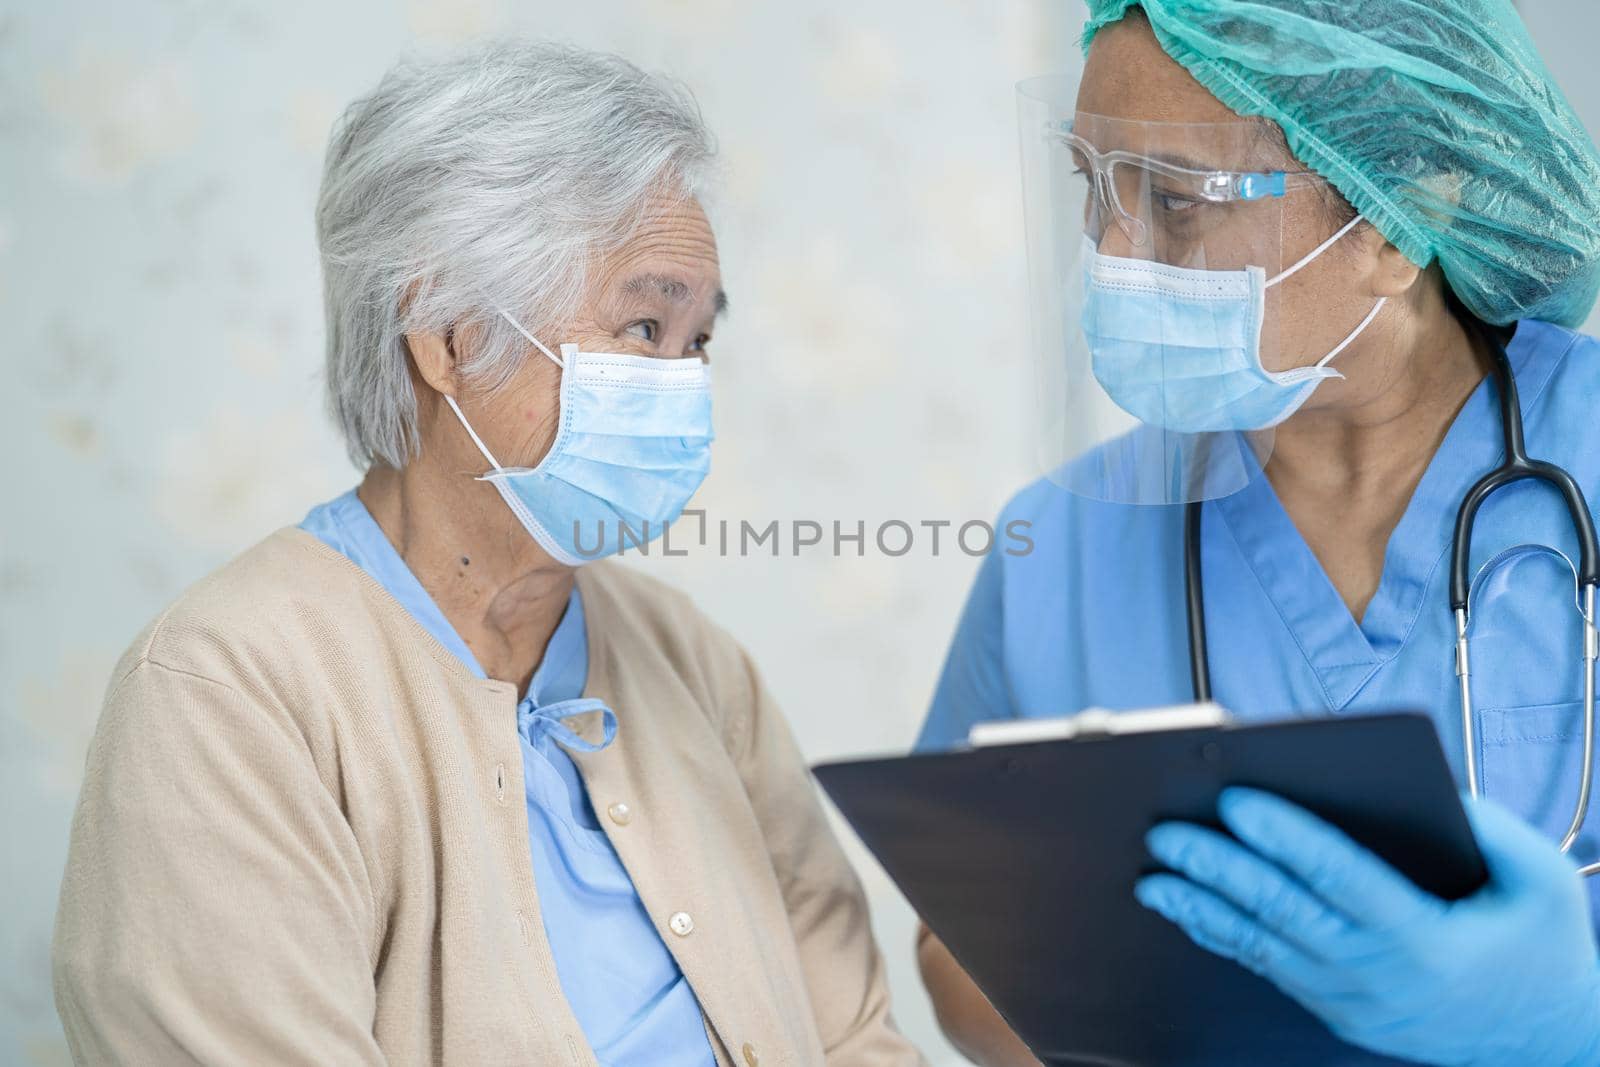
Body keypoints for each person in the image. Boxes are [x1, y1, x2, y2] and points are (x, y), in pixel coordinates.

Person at [52, 41, 922, 1066]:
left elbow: (857, 1037)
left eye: (696, 342)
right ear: (450, 335)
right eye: (643, 326)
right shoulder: (226, 693)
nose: (682, 384)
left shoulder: (693, 662)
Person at [915, 1, 1600, 1064]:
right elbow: (954, 953)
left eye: (1177, 201)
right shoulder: (1060, 542)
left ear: (1397, 207)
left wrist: (1566, 1028)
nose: (1111, 251)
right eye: (1091, 186)